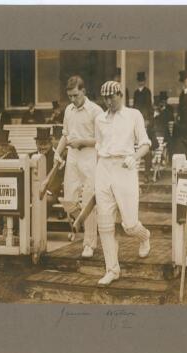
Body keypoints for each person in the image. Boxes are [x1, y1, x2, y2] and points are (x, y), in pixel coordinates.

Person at [94, 80, 152, 286]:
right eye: (105, 98)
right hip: (103, 169)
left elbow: (145, 143)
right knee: (105, 223)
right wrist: (97, 173)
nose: (109, 101)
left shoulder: (133, 115)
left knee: (129, 225)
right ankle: (112, 269)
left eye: (112, 97)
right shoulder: (99, 118)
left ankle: (144, 236)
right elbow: (98, 146)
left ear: (120, 95)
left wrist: (134, 157)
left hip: (125, 168)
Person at [54, 75, 103, 258]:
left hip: (90, 158)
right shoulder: (69, 110)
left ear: (83, 91)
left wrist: (82, 141)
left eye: (76, 95)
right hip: (73, 158)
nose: (73, 99)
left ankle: (89, 243)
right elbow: (65, 135)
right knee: (69, 202)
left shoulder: (96, 111)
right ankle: (85, 229)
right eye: (70, 96)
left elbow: (101, 140)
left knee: (88, 202)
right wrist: (57, 153)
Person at [30, 127, 64, 215]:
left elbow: (58, 178)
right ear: (36, 143)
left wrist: (46, 191)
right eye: (40, 144)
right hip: (32, 191)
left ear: (50, 144)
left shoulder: (56, 158)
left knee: (44, 199)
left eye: (45, 144)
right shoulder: (30, 157)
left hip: (50, 192)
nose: (42, 147)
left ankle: (38, 226)